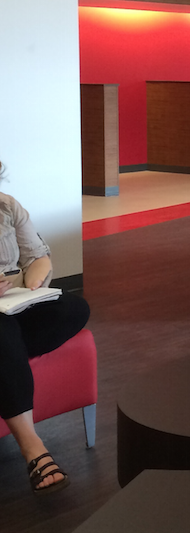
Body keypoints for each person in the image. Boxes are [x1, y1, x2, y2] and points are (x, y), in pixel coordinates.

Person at [1, 162, 90, 495]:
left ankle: (7, 359)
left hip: (12, 302)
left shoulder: (7, 206)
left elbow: (38, 256)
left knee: (74, 308)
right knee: (1, 331)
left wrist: (35, 280)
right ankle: (33, 449)